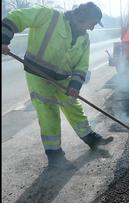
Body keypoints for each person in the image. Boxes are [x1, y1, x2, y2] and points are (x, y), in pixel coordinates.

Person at [2, 2, 113, 168]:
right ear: (82, 17)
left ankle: (91, 139)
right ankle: (55, 156)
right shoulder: (50, 16)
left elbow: (82, 65)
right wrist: (4, 39)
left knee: (72, 105)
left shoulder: (84, 39)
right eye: (92, 23)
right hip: (37, 73)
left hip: (62, 77)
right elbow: (17, 17)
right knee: (48, 112)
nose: (92, 28)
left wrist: (75, 85)